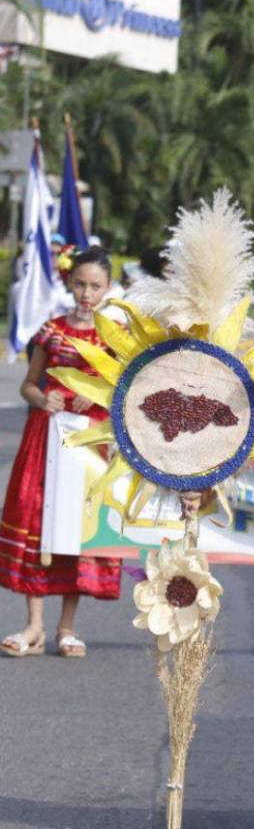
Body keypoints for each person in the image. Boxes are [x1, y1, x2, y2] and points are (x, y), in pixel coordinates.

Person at [0, 247, 122, 658]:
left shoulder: (116, 337)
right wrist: (41, 399)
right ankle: (33, 625)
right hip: (46, 437)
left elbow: (125, 392)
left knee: (77, 525)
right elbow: (28, 384)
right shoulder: (51, 331)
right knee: (38, 517)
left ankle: (66, 628)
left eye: (95, 286)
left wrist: (101, 395)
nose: (86, 294)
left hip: (89, 442)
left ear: (107, 288)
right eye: (80, 285)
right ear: (70, 284)